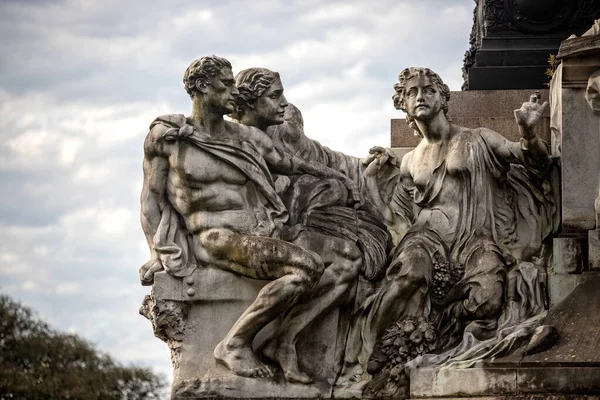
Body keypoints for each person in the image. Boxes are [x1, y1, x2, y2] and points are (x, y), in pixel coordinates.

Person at [139, 55, 361, 380]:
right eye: (226, 84)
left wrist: (338, 177)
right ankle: (234, 344)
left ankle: (285, 340)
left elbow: (287, 162)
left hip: (261, 232)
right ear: (201, 86)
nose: (233, 91)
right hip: (214, 237)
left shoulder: (244, 136)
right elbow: (151, 201)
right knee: (307, 266)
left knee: (348, 258)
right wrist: (157, 251)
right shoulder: (170, 139)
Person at [348, 67, 552, 370]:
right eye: (411, 93)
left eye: (428, 90)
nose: (420, 97)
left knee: (489, 300)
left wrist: (528, 134)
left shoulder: (478, 139)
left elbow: (535, 162)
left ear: (444, 98)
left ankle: (431, 337)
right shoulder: (409, 162)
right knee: (409, 276)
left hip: (475, 239)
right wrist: (368, 182)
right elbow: (396, 219)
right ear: (403, 104)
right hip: (426, 237)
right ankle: (367, 354)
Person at [231, 67, 392, 383]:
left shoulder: (280, 134)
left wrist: (365, 166)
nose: (284, 104)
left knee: (349, 258)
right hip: (246, 236)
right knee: (327, 260)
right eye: (275, 96)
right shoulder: (231, 138)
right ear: (249, 102)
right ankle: (254, 340)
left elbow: (326, 158)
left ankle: (286, 339)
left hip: (278, 230)